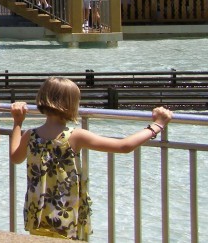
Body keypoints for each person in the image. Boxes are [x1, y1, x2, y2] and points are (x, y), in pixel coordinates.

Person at [9, 77, 173, 240]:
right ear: (72, 104)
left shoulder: (31, 135)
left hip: (37, 213)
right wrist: (157, 125)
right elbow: (124, 146)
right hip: (66, 216)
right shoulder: (74, 136)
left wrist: (17, 122)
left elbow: (15, 158)